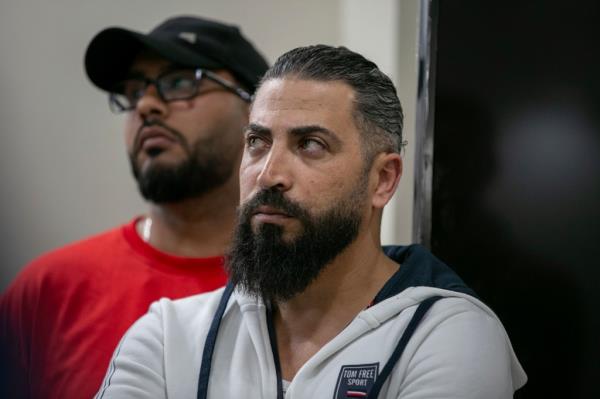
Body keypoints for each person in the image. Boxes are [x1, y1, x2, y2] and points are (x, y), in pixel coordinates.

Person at [95, 45, 527, 398]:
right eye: (258, 142)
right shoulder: (170, 335)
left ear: (382, 179)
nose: (268, 174)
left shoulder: (449, 337)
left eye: (310, 144)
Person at [0, 16, 268, 399]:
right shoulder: (46, 292)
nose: (146, 105)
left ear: (255, 113)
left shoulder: (305, 288)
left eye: (178, 82)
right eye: (133, 90)